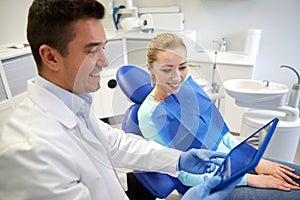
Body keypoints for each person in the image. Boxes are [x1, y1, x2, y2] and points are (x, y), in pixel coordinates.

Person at [0, 1, 240, 199]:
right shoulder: (31, 152)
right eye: (92, 50)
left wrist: (178, 159)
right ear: (50, 57)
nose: (105, 62)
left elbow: (116, 144)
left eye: (103, 48)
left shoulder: (74, 107)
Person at [137, 32, 300, 199]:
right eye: (167, 69)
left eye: (183, 67)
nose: (177, 77)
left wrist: (254, 161)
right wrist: (248, 179)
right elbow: (182, 172)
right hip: (208, 183)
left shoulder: (188, 88)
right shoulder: (149, 115)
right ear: (150, 68)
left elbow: (223, 136)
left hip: (236, 164)